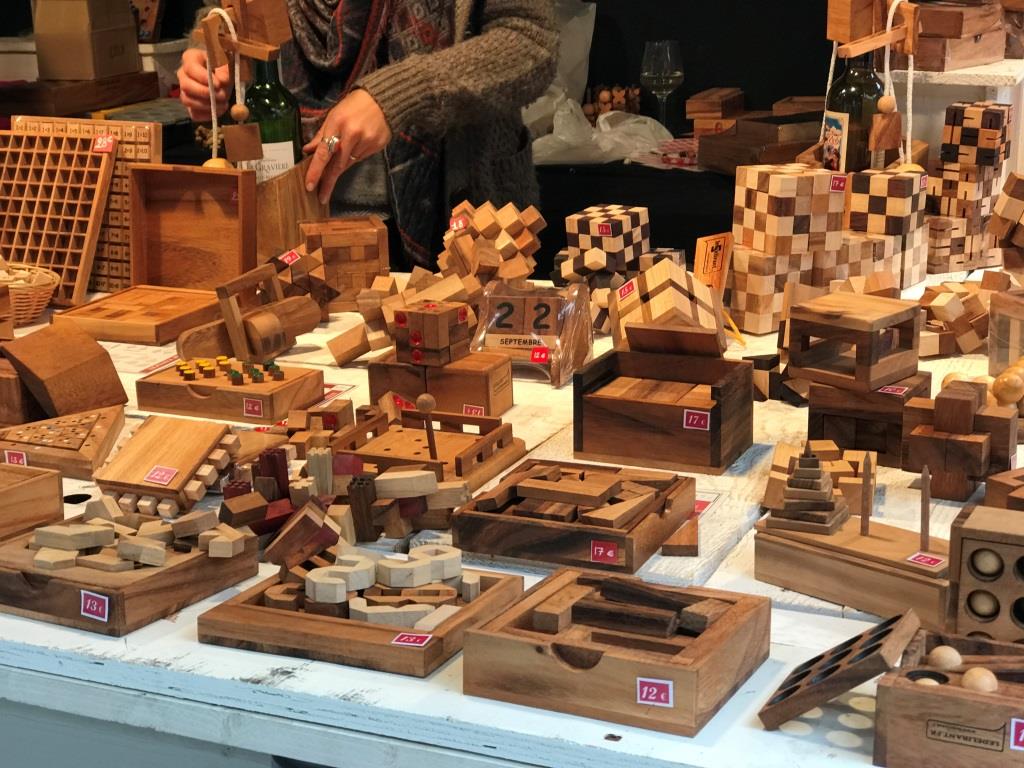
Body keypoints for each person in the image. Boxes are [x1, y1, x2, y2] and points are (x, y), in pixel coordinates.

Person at [177, 0, 558, 268]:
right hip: (286, 227)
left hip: (450, 225)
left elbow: (531, 41)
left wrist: (402, 93)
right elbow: (228, 11)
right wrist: (209, 52)